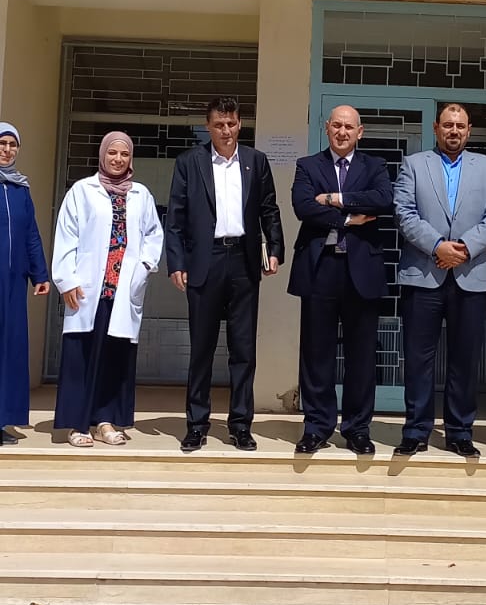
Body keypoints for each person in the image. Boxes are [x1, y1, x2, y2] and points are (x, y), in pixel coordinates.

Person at [165, 96, 284, 454]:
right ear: (208, 126)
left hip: (244, 262)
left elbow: (269, 208)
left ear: (239, 124)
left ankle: (241, 425)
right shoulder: (190, 163)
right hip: (206, 260)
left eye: (231, 124)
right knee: (201, 348)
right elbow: (176, 217)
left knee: (243, 349)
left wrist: (274, 248)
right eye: (219, 125)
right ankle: (196, 425)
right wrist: (176, 262)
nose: (226, 130)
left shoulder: (255, 161)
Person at [393, 102, 486, 458]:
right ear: (436, 128)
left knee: (465, 358)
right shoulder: (414, 164)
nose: (454, 131)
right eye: (447, 125)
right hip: (423, 274)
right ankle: (416, 430)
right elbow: (404, 212)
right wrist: (438, 246)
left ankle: (459, 431)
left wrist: (465, 248)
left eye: (460, 125)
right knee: (418, 358)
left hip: (471, 276)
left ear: (469, 130)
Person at [288, 105, 393, 457]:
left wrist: (335, 200)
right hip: (320, 268)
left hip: (361, 270)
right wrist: (348, 219)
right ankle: (317, 427)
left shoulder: (374, 166)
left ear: (359, 132)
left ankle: (357, 429)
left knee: (361, 355)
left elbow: (383, 199)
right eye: (336, 125)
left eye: (349, 127)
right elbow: (303, 206)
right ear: (327, 128)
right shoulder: (308, 165)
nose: (342, 132)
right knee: (316, 353)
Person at [52, 131, 163, 449]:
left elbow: (154, 234)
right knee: (82, 355)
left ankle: (105, 421)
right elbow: (66, 234)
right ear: (102, 155)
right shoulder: (82, 191)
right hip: (87, 288)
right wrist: (66, 279)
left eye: (124, 154)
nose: (118, 159)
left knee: (115, 357)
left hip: (123, 288)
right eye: (112, 153)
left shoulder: (141, 194)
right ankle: (77, 424)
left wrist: (144, 267)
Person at [0, 123, 50, 445]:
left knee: (10, 349)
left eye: (12, 145)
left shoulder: (20, 189)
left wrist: (40, 274)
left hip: (14, 283)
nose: (7, 150)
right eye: (2, 143)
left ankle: (2, 418)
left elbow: (31, 233)